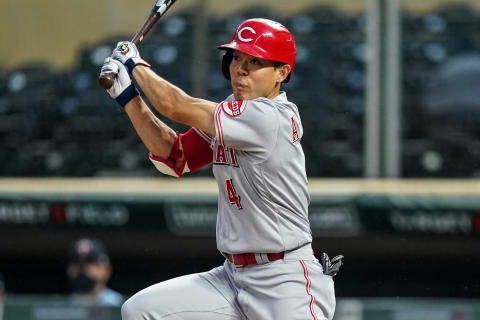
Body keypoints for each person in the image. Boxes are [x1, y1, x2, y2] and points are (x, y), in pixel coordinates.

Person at [100, 18, 343, 320]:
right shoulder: (233, 112)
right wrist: (128, 96)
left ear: (282, 72)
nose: (241, 68)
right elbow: (175, 155)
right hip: (231, 277)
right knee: (140, 311)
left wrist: (133, 61)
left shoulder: (269, 117)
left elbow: (175, 105)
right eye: (236, 57)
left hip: (285, 280)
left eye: (255, 61)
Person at [66, 238, 124, 306]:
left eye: (90, 262)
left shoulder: (120, 305)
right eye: (76, 262)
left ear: (106, 270)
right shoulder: (62, 306)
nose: (82, 269)